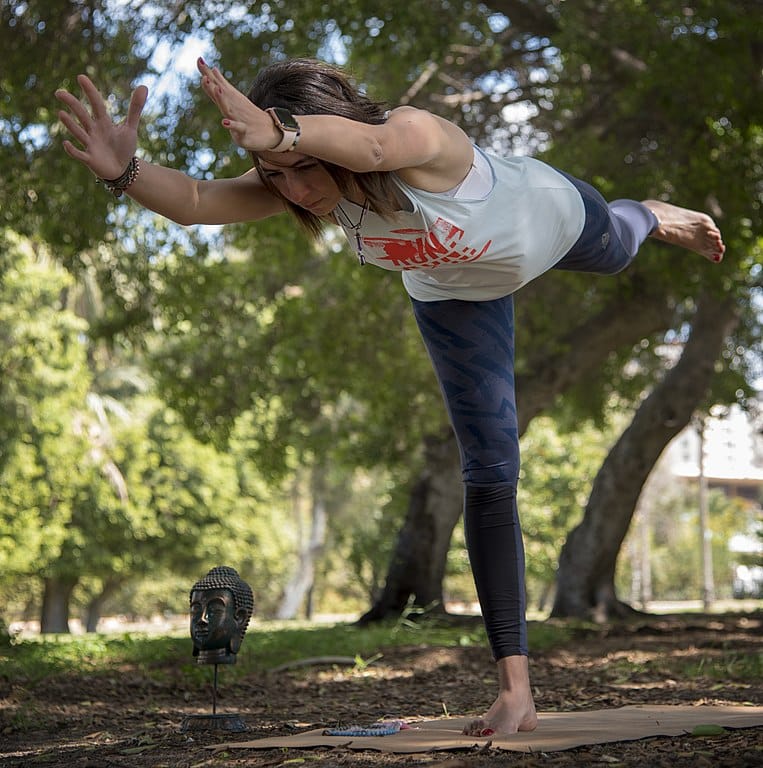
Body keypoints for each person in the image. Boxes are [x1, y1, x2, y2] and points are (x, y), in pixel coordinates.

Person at [55, 57, 725, 736]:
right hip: (452, 293)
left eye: (303, 166)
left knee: (615, 247)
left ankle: (648, 213)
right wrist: (124, 173)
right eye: (277, 178)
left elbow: (371, 146)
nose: (295, 189)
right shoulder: (297, 182)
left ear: (321, 132)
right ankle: (516, 690)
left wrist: (279, 132)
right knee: (490, 474)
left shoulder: (414, 135)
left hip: (547, 219)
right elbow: (197, 203)